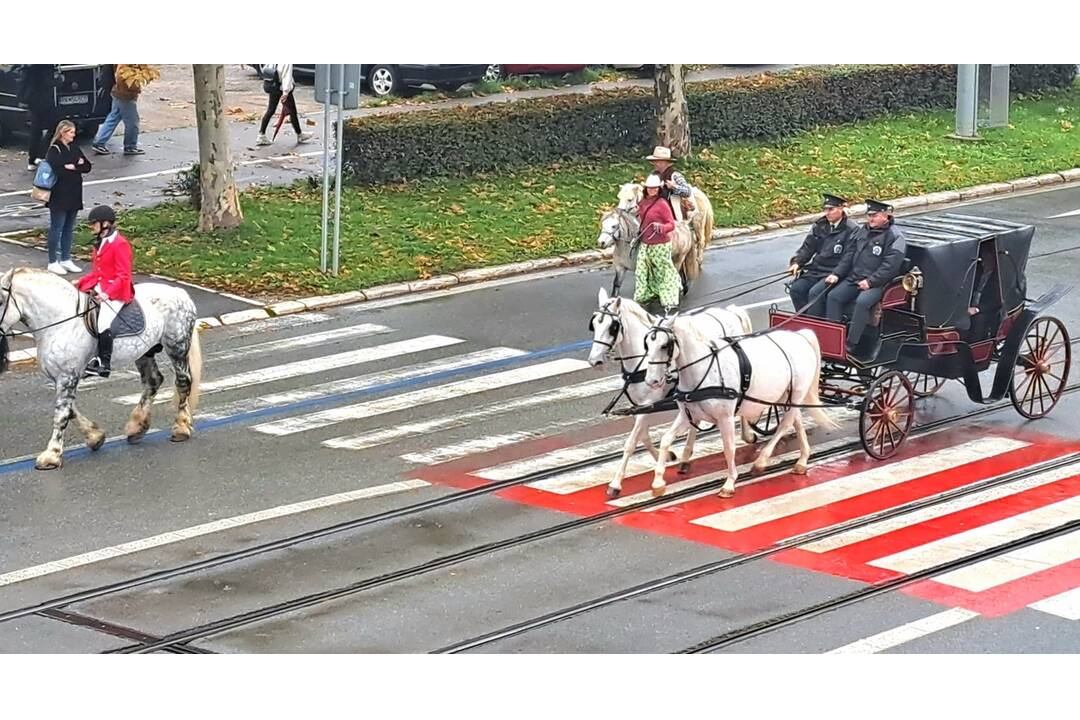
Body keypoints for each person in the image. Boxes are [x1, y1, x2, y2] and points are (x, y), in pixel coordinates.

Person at [824, 199, 907, 361]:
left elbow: (890, 267)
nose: (870, 219)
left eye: (874, 216)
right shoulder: (863, 231)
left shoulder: (895, 237)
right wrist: (837, 273)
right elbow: (849, 256)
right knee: (833, 297)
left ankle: (851, 343)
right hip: (855, 278)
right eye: (869, 216)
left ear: (885, 216)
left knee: (862, 303)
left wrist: (870, 282)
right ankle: (834, 337)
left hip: (878, 283)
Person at [76, 205, 134, 378]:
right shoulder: (100, 243)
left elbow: (123, 275)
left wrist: (107, 293)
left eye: (94, 224)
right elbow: (97, 273)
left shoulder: (120, 244)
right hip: (101, 286)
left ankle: (104, 363)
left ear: (106, 224)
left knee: (103, 323)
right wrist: (79, 283)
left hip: (117, 291)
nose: (92, 227)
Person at [788, 193, 859, 316]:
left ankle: (816, 325)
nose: (827, 213)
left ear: (841, 208)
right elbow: (808, 247)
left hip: (835, 272)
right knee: (796, 289)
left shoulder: (852, 229)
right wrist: (797, 262)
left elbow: (848, 257)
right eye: (825, 209)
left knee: (815, 293)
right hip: (817, 269)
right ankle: (803, 319)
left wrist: (836, 274)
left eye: (831, 209)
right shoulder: (819, 225)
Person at [43, 120, 92, 275]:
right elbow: (59, 170)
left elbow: (87, 166)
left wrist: (74, 166)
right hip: (59, 195)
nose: (74, 134)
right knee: (57, 227)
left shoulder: (74, 147)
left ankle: (66, 258)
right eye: (71, 132)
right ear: (63, 132)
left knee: (69, 228)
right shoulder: (54, 149)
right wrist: (74, 166)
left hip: (74, 194)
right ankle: (52, 260)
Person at [635, 173, 682, 314]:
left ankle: (669, 299)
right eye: (650, 188)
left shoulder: (662, 204)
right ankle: (642, 296)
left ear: (659, 189)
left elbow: (671, 224)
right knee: (641, 270)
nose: (652, 190)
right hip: (645, 242)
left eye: (655, 188)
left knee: (663, 271)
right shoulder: (643, 202)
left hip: (660, 243)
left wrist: (661, 228)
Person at [91, 64, 155, 156]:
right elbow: (123, 79)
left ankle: (99, 142)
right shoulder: (125, 65)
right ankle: (130, 146)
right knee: (132, 122)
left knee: (113, 117)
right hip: (125, 96)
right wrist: (135, 88)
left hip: (118, 93)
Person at [256, 64, 313, 147]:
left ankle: (261, 134)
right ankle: (300, 135)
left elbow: (266, 69)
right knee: (292, 111)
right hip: (282, 87)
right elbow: (287, 76)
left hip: (272, 85)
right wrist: (286, 92)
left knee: (271, 110)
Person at [19, 64, 59, 171]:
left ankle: (32, 159)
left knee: (36, 128)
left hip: (32, 98)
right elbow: (46, 81)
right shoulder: (44, 66)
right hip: (43, 99)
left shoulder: (30, 66)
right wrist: (58, 80)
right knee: (54, 124)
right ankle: (41, 154)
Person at [645, 145, 695, 222]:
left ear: (665, 162)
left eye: (657, 161)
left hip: (672, 214)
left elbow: (687, 192)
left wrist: (674, 187)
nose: (654, 163)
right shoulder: (653, 175)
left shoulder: (675, 175)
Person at [966, 244, 1002, 343]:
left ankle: (974, 347)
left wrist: (977, 309)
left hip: (987, 309)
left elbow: (996, 301)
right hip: (972, 303)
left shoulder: (998, 278)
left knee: (978, 320)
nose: (983, 262)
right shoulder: (978, 272)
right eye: (983, 259)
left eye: (987, 259)